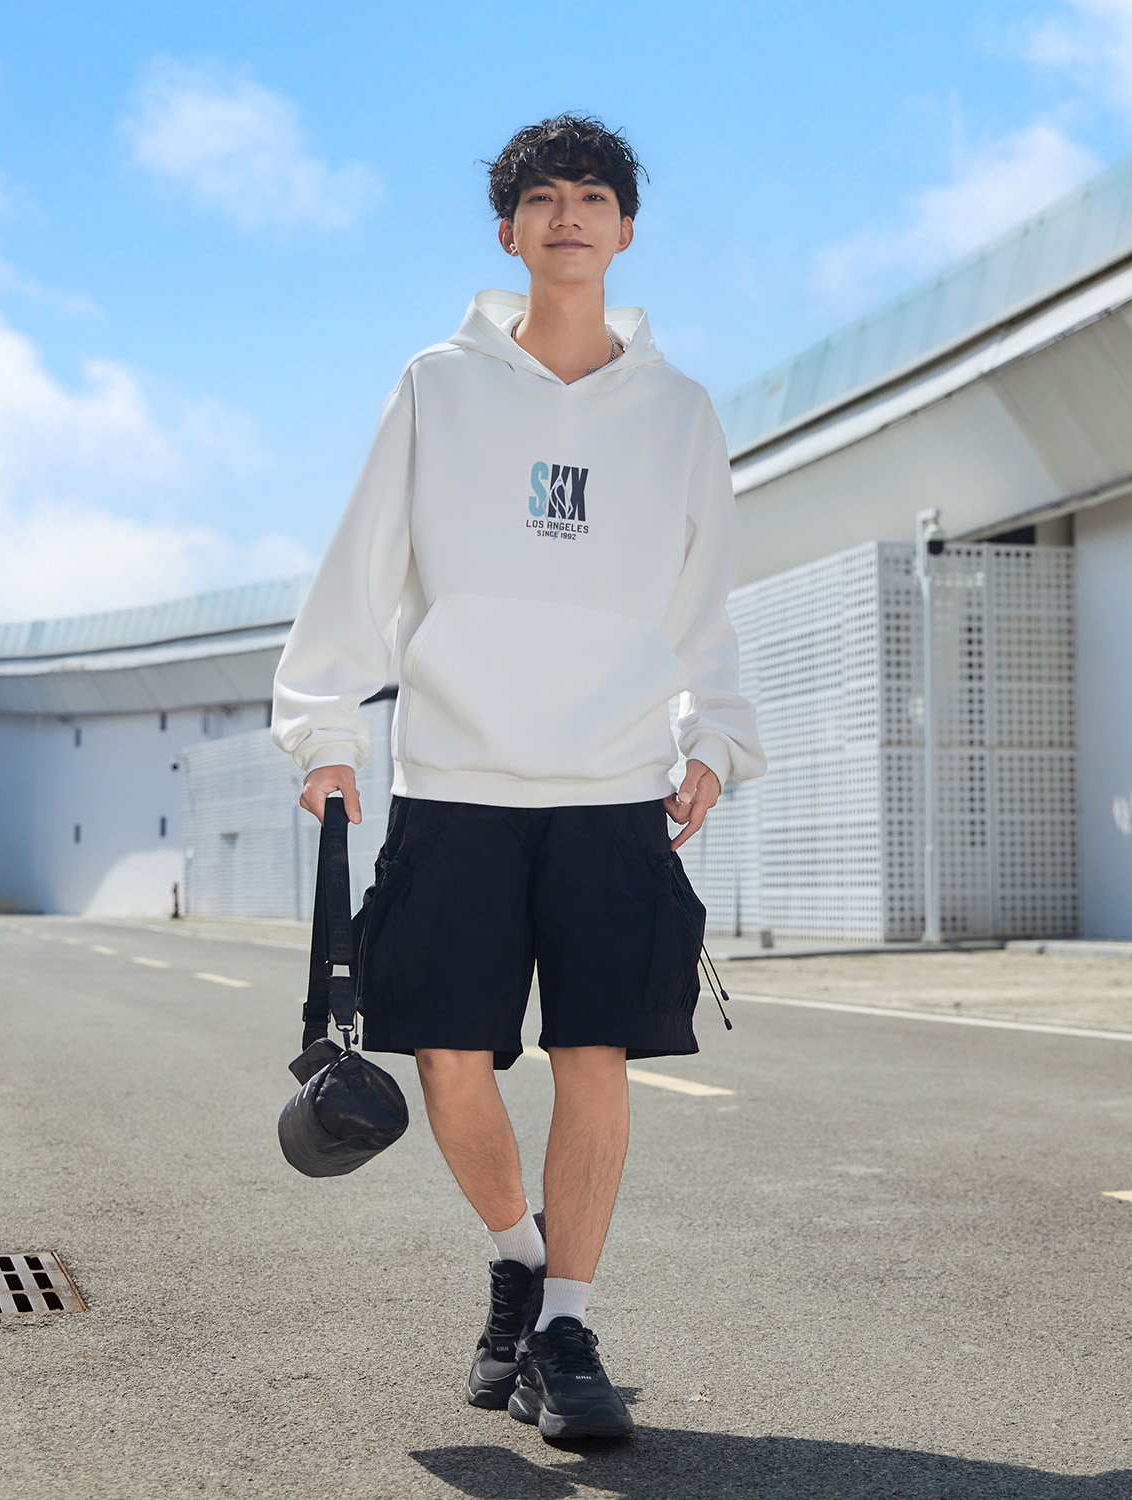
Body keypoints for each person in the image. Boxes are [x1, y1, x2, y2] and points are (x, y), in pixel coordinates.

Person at [271, 114, 765, 1442]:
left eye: (592, 197)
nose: (568, 217)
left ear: (625, 229)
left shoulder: (679, 410)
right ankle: (521, 1259)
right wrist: (324, 732)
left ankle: (564, 1329)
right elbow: (361, 567)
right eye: (542, 199)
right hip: (459, 781)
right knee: (448, 1059)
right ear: (508, 232)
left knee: (594, 1054)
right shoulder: (437, 385)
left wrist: (714, 738)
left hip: (612, 786)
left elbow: (704, 600)